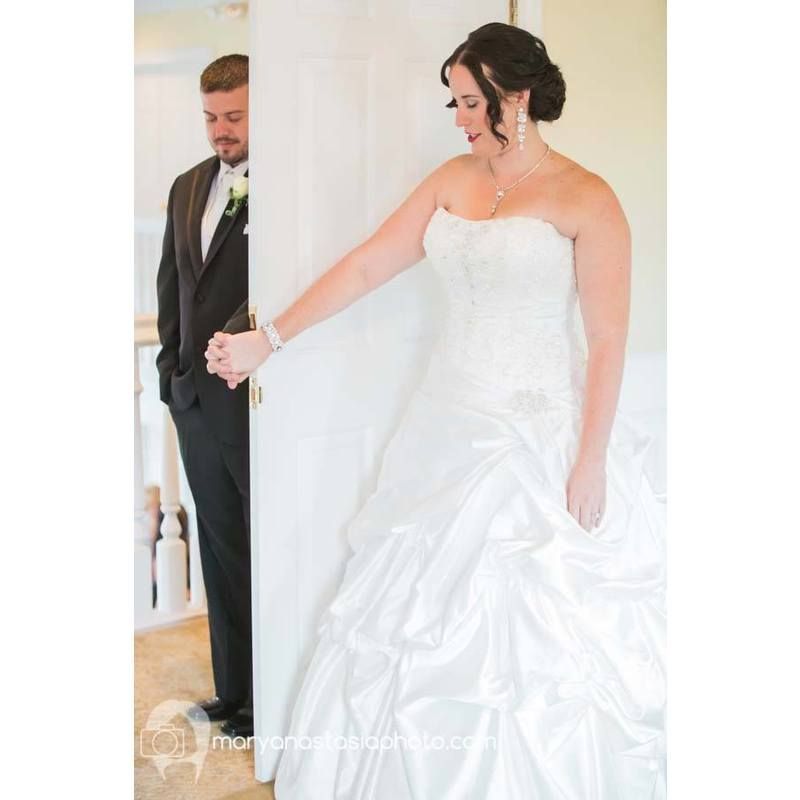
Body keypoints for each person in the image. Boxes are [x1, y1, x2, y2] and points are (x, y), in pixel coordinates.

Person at [207, 23, 666, 799]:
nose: (458, 118)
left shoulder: (588, 198)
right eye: (453, 101)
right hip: (447, 426)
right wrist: (269, 339)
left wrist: (590, 460)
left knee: (536, 636)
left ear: (517, 98)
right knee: (411, 617)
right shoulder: (452, 179)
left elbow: (608, 341)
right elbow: (366, 266)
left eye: (470, 102)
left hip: (538, 438)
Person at [155, 53, 255, 738]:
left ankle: (265, 698)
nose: (222, 130)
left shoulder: (286, 189)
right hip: (193, 402)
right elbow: (173, 286)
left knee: (257, 552)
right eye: (212, 117)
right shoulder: (188, 185)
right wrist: (172, 375)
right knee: (217, 551)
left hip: (252, 404)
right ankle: (232, 691)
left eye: (236, 116)